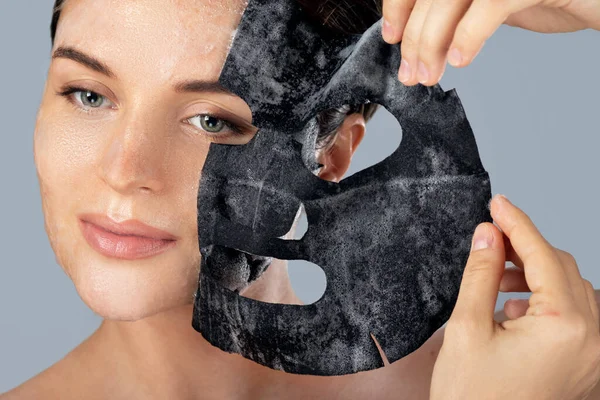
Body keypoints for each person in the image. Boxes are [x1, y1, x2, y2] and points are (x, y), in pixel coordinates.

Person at [2, 0, 600, 398]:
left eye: (212, 119)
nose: (124, 170)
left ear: (332, 153)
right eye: (87, 95)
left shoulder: (555, 371)